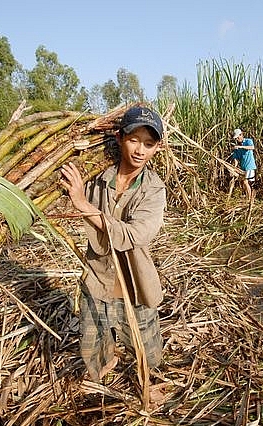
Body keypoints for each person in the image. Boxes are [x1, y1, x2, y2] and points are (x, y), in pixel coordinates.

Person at [60, 105, 166, 382]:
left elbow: (135, 236)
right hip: (97, 279)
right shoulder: (96, 177)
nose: (140, 151)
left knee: (146, 351)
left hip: (135, 285)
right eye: (134, 140)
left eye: (149, 144)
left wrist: (84, 206)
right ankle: (101, 376)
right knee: (93, 345)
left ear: (157, 148)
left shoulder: (153, 189)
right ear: (119, 138)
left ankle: (146, 383)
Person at [230, 128, 257, 201]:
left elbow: (252, 147)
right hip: (243, 168)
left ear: (241, 135)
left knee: (245, 182)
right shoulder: (237, 148)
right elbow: (236, 159)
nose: (237, 139)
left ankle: (249, 200)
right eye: (236, 138)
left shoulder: (248, 141)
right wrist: (234, 169)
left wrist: (241, 147)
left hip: (250, 166)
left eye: (238, 137)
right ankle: (249, 198)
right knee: (244, 183)